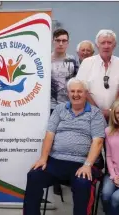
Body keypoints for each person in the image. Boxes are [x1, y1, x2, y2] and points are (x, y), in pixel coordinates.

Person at [22, 78, 106, 215]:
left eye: (79, 91)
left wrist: (87, 165)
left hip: (82, 163)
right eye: (72, 91)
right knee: (34, 176)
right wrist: (43, 158)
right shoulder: (60, 109)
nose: (76, 94)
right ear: (68, 93)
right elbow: (49, 134)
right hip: (56, 160)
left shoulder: (95, 113)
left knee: (82, 184)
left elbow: (98, 141)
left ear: (86, 93)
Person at [76, 29, 119, 121]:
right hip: (90, 114)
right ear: (97, 45)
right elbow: (82, 89)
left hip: (116, 116)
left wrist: (112, 110)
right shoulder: (86, 63)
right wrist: (97, 111)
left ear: (114, 45)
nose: (106, 46)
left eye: (109, 43)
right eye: (103, 43)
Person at [50, 28, 79, 195]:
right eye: (58, 40)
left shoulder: (72, 60)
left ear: (68, 42)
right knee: (52, 140)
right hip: (50, 106)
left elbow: (77, 82)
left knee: (68, 138)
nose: (61, 43)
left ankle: (67, 175)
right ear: (53, 41)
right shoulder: (46, 59)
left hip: (69, 106)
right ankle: (55, 179)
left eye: (64, 40)